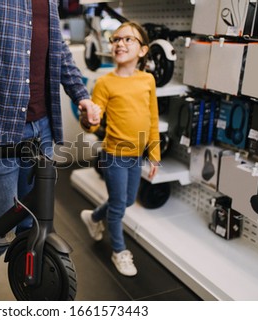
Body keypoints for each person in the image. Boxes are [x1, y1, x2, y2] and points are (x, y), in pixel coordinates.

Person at [0, 0, 100, 301]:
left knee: (33, 218)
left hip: (43, 125)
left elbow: (56, 46)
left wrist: (81, 94)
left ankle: (30, 289)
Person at [79, 21, 161, 277]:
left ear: (143, 50)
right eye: (116, 39)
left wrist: (155, 155)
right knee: (117, 206)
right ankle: (119, 251)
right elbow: (92, 125)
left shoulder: (148, 80)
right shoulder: (105, 83)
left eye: (128, 39)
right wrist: (88, 119)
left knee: (125, 200)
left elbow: (153, 119)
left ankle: (92, 218)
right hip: (114, 155)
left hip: (137, 156)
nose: (120, 43)